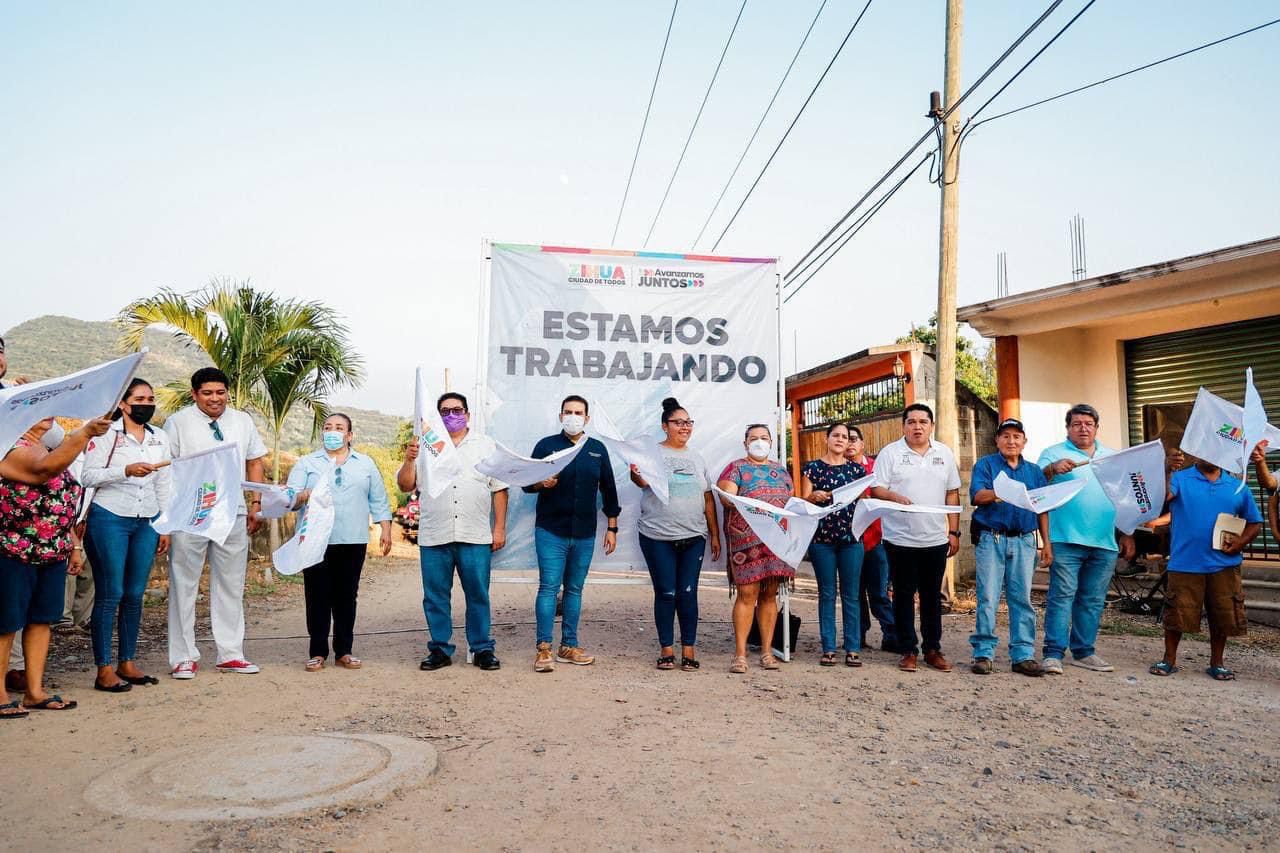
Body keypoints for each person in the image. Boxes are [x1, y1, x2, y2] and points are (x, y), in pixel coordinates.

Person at [0, 414, 112, 717]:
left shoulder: (50, 447)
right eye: (38, 407)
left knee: (41, 620)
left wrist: (74, 546)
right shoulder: (6, 447)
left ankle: (34, 692)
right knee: (6, 622)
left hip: (52, 549)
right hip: (13, 547)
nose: (47, 413)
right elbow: (40, 471)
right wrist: (84, 433)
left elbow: (62, 503)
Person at [163, 367, 268, 678]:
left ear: (227, 393)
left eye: (220, 392)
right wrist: (167, 518)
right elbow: (167, 469)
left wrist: (256, 504)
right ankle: (183, 657)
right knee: (184, 585)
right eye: (207, 393)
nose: (215, 398)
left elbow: (255, 460)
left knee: (231, 584)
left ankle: (231, 653)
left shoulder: (242, 420)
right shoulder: (178, 422)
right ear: (195, 394)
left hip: (232, 512)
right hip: (190, 514)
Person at [397, 392, 508, 672]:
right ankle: (440, 649)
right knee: (435, 596)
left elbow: (499, 488)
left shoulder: (486, 445)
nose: (451, 415)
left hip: (475, 535)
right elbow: (405, 485)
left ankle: (482, 648)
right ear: (438, 416)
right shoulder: (426, 445)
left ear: (468, 414)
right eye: (444, 411)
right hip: (435, 535)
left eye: (457, 410)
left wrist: (499, 528)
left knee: (478, 594)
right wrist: (410, 460)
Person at [79, 378, 172, 692]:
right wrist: (125, 470)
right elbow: (87, 475)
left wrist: (164, 523)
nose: (146, 403)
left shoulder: (159, 437)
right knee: (111, 592)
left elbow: (164, 482)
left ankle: (127, 662)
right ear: (123, 403)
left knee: (134, 594)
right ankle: (104, 668)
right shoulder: (106, 435)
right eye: (140, 398)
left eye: (150, 397)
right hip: (110, 518)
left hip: (146, 520)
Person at [288, 413, 392, 672]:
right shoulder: (307, 463)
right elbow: (290, 498)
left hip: (352, 539)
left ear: (349, 435)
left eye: (339, 428)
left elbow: (378, 499)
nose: (332, 431)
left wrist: (386, 530)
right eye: (327, 427)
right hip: (315, 540)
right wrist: (303, 495)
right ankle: (317, 652)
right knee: (317, 595)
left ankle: (344, 650)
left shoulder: (365, 464)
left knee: (347, 596)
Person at [1037, 404, 1136, 675]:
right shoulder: (1052, 454)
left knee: (1092, 599)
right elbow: (1035, 488)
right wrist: (1051, 470)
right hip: (1065, 538)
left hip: (1104, 541)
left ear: (1096, 428)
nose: (1083, 428)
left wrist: (1127, 533)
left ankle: (1083, 651)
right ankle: (1053, 653)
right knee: (1062, 596)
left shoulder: (1112, 457)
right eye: (1077, 423)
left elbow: (1124, 498)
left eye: (1088, 424)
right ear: (1068, 428)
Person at [524, 395, 620, 672]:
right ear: (560, 415)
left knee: (575, 590)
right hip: (550, 531)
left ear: (587, 419)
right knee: (548, 588)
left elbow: (609, 490)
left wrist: (612, 528)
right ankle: (543, 649)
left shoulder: (597, 449)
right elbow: (525, 484)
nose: (573, 416)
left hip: (584, 533)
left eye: (579, 413)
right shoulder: (546, 445)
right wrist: (541, 483)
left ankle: (569, 645)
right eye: (568, 412)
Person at [1148, 458, 1262, 680]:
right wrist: (1166, 470)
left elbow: (1255, 521)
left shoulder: (1237, 485)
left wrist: (1241, 542)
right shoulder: (1180, 478)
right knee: (1177, 613)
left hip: (1224, 565)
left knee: (1222, 615)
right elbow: (1161, 501)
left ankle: (1217, 663)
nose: (1212, 455)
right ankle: (1168, 659)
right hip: (1185, 562)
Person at [869, 403, 962, 673]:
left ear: (931, 426)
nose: (917, 426)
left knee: (932, 596)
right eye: (911, 422)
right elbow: (876, 489)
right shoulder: (891, 453)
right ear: (903, 426)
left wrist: (953, 531)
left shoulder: (943, 453)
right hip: (900, 538)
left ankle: (933, 649)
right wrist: (893, 496)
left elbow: (952, 493)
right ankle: (908, 649)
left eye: (923, 421)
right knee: (903, 595)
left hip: (935, 538)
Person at [630, 398, 721, 672]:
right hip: (657, 536)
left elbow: (707, 499)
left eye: (688, 422)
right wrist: (637, 476)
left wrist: (714, 534)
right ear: (664, 426)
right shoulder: (651, 454)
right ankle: (667, 649)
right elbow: (639, 479)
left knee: (688, 592)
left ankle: (689, 649)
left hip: (694, 536)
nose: (685, 427)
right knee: (667, 592)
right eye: (678, 422)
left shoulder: (697, 458)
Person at [967, 418, 1052, 677]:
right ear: (997, 441)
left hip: (1025, 540)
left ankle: (1023, 654)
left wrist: (1046, 543)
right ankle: (983, 653)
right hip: (991, 538)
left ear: (1024, 441)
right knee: (988, 597)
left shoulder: (1035, 471)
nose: (1011, 441)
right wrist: (1002, 492)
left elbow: (1042, 507)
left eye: (1016, 436)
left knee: (1022, 599)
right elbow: (977, 496)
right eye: (1005, 436)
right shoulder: (986, 465)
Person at [717, 424, 794, 674]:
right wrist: (734, 496)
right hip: (746, 542)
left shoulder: (781, 471)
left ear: (771, 442)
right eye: (754, 438)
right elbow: (726, 497)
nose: (759, 442)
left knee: (770, 596)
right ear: (745, 443)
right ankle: (740, 655)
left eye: (764, 438)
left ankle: (767, 651)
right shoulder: (736, 468)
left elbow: (790, 500)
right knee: (747, 595)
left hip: (775, 542)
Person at [801, 423, 866, 667]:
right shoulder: (813, 468)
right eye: (836, 435)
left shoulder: (857, 471)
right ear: (826, 438)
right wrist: (813, 497)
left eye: (846, 437)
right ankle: (828, 647)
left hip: (851, 541)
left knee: (851, 595)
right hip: (822, 541)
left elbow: (864, 503)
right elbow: (803, 501)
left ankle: (853, 648)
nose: (841, 440)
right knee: (827, 593)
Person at [844, 428, 897, 653]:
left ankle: (892, 636)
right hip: (848, 541)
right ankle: (858, 637)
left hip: (875, 539)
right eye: (844, 439)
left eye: (853, 439)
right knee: (854, 593)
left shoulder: (876, 469)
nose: (848, 444)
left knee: (879, 593)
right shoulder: (836, 469)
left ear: (862, 444)